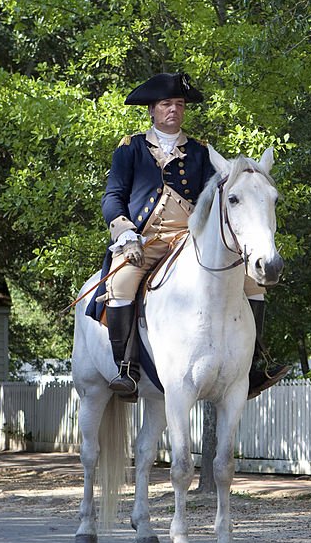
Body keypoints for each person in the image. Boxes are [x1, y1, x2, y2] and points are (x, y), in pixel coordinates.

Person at [85, 71, 290, 399]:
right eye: (166, 104)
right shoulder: (131, 148)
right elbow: (113, 197)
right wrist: (124, 232)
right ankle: (127, 367)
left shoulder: (200, 152)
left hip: (190, 240)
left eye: (179, 104)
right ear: (152, 110)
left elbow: (220, 200)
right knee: (121, 283)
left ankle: (252, 363)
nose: (173, 110)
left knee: (253, 283)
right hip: (146, 241)